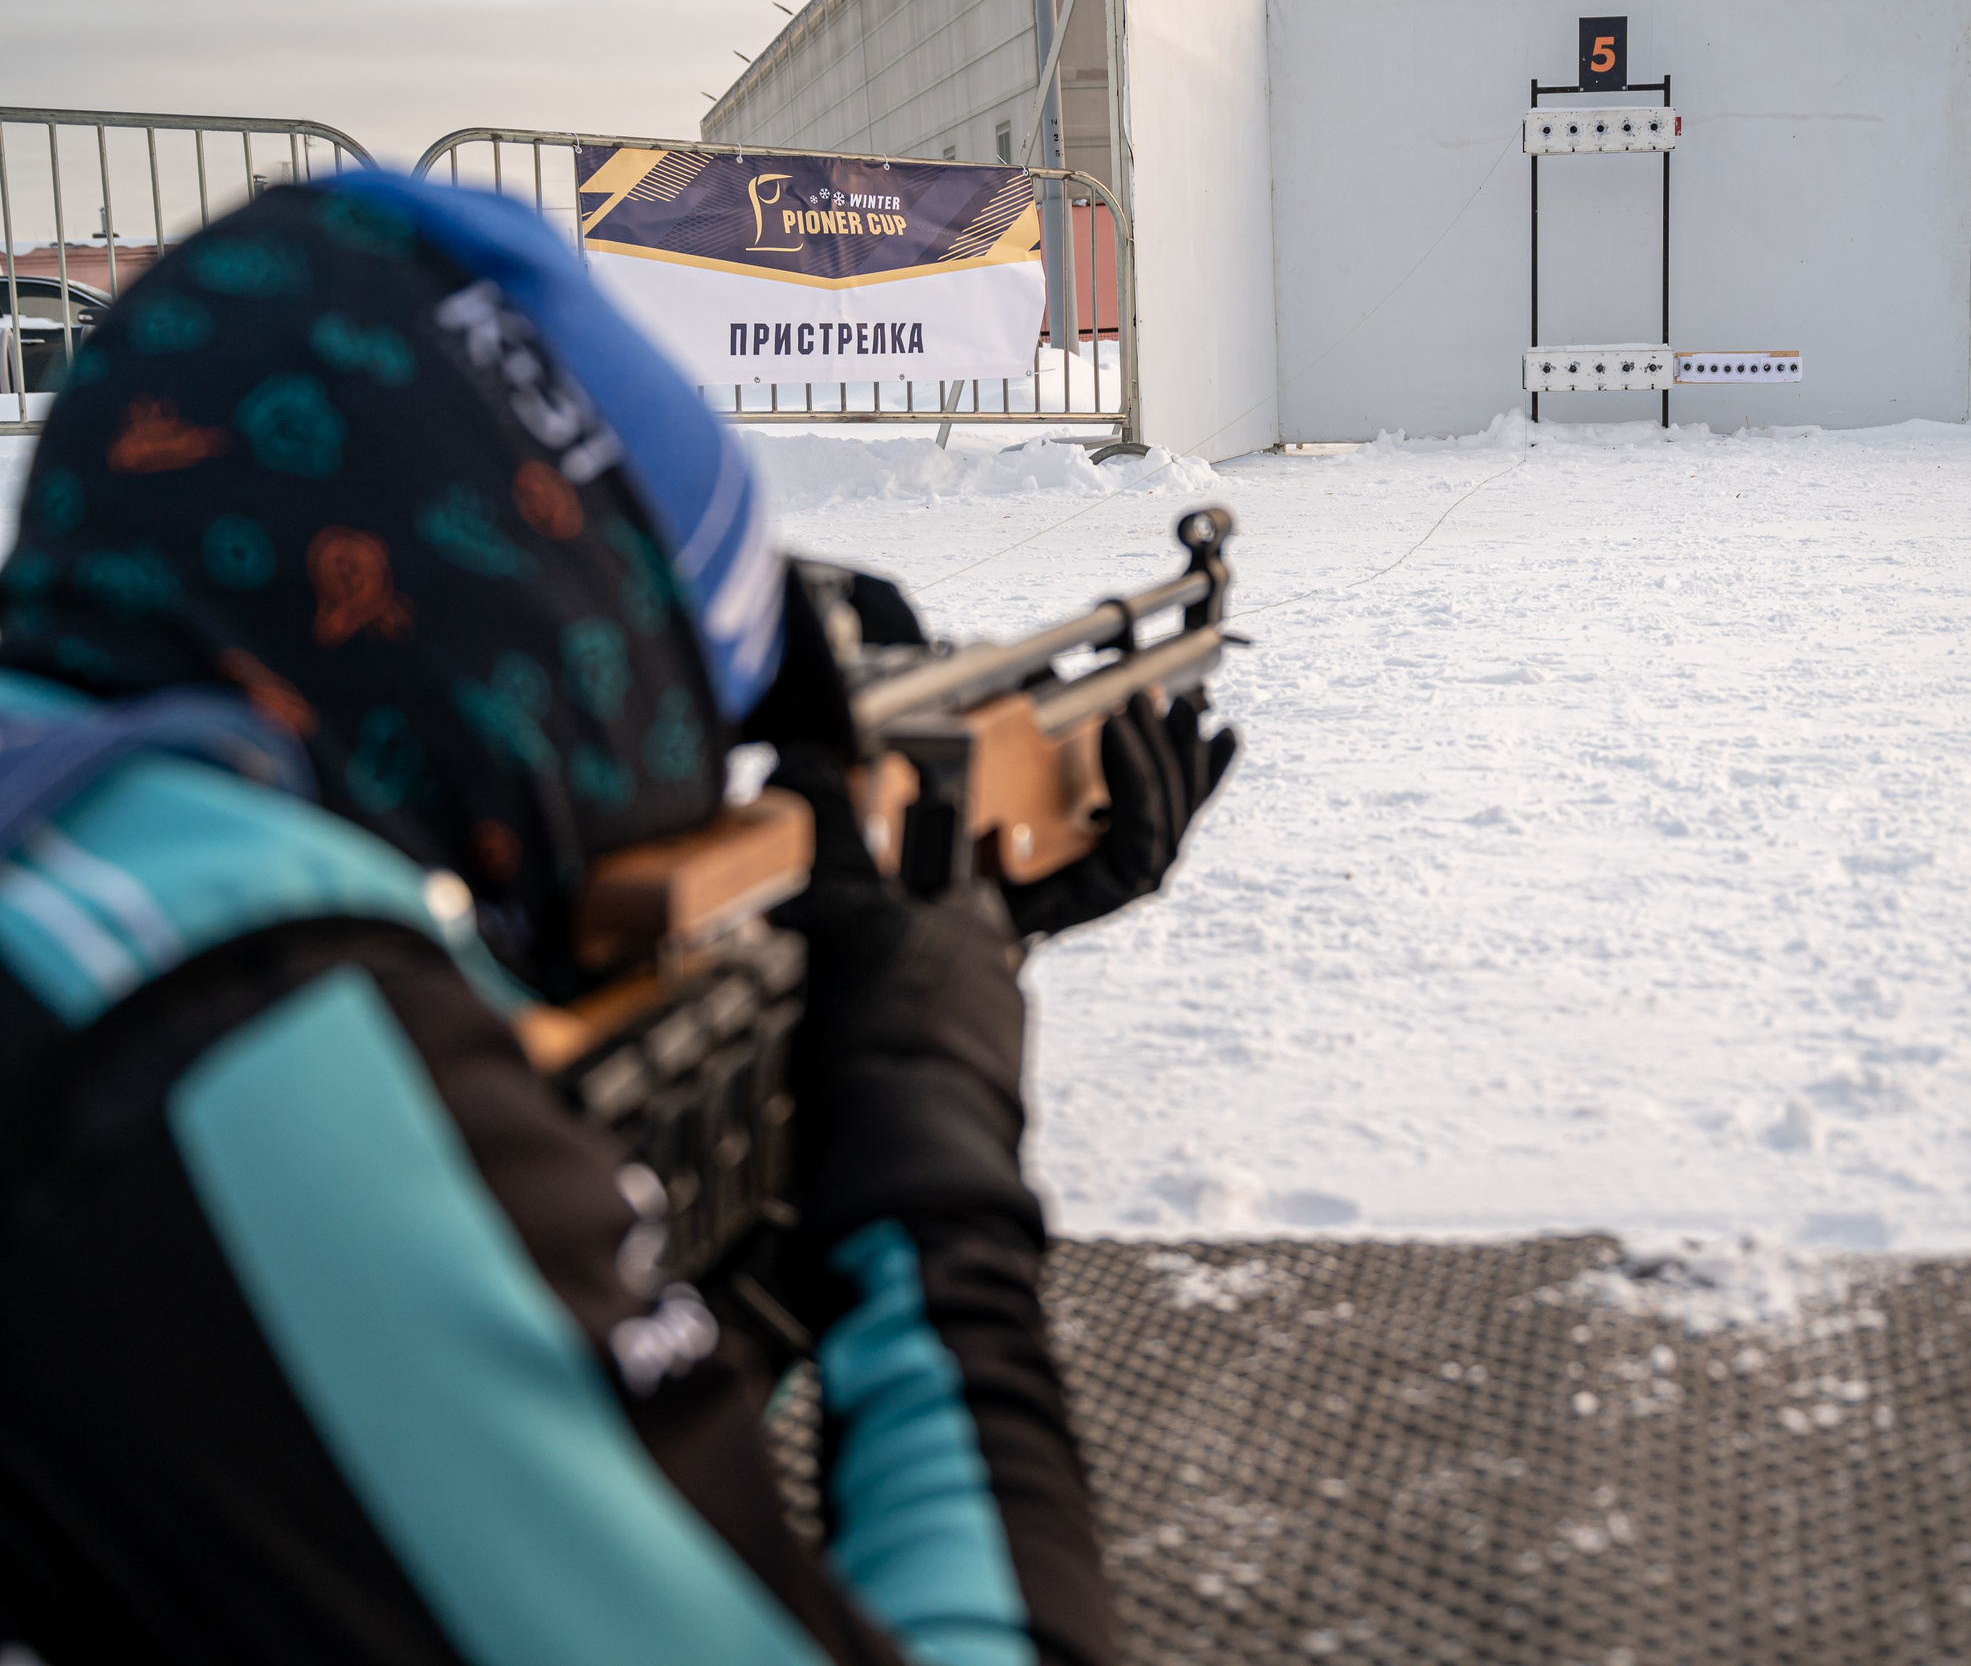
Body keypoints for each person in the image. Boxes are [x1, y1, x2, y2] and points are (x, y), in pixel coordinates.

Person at [0, 170, 1232, 1663]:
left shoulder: (88, 870)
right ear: (556, 682)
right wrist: (931, 1147)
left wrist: (890, 1003)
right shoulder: (226, 1018)